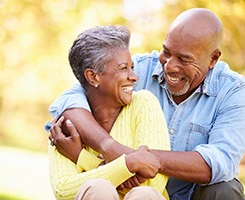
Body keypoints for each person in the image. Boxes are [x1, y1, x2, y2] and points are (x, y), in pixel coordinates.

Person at [46, 8, 245, 200]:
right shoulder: (139, 68)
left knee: (225, 189)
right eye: (166, 52)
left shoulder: (234, 92)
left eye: (184, 59)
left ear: (213, 59)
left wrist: (131, 160)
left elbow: (219, 162)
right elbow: (70, 99)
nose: (170, 66)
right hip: (131, 192)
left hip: (190, 194)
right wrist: (110, 147)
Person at [45, 25, 171, 200]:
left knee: (144, 194)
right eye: (123, 68)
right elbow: (64, 190)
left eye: (132, 67)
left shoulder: (144, 103)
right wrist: (129, 164)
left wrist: (82, 158)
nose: (134, 77)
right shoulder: (65, 124)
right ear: (93, 77)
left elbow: (153, 183)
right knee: (98, 189)